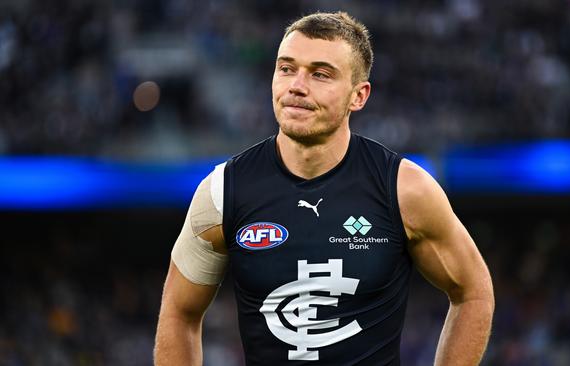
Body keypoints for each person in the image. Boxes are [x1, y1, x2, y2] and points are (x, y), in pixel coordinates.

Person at [154, 11, 494, 366]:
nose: (296, 85)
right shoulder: (222, 191)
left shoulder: (404, 189)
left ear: (358, 96)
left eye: (320, 74)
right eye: (286, 68)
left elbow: (474, 292)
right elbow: (179, 313)